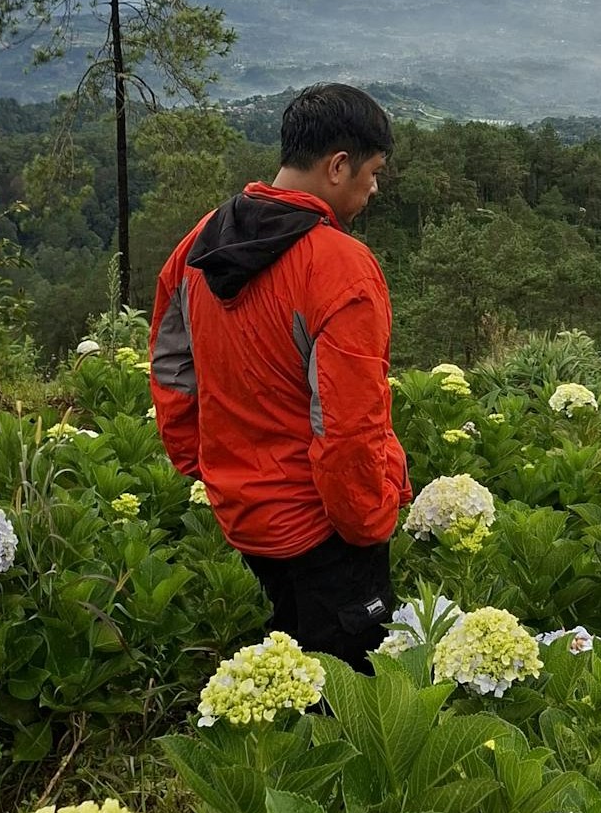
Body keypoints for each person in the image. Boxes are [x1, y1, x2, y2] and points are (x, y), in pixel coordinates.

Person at [150, 82, 411, 669]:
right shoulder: (341, 268)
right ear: (337, 166)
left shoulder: (196, 245)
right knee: (356, 689)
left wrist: (210, 467)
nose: (374, 187)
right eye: (373, 172)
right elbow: (348, 428)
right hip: (325, 525)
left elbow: (172, 373)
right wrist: (370, 526)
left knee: (292, 648)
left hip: (244, 513)